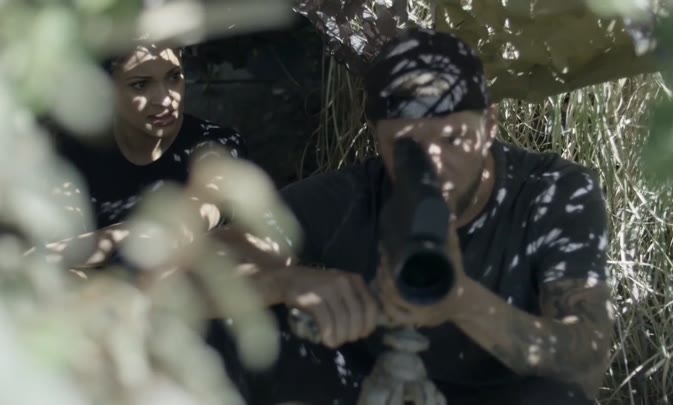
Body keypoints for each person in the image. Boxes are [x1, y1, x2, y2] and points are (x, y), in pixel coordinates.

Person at [238, 28, 614, 405]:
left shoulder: (553, 193)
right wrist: (288, 283)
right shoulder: (350, 195)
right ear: (376, 136)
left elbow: (586, 361)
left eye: (452, 139)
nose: (433, 163)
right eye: (408, 147)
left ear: (490, 126)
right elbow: (213, 264)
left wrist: (461, 301)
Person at [36, 43, 251, 398]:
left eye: (174, 77)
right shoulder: (75, 155)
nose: (165, 99)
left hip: (199, 331)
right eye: (141, 85)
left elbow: (186, 226)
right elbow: (54, 261)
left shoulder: (215, 147)